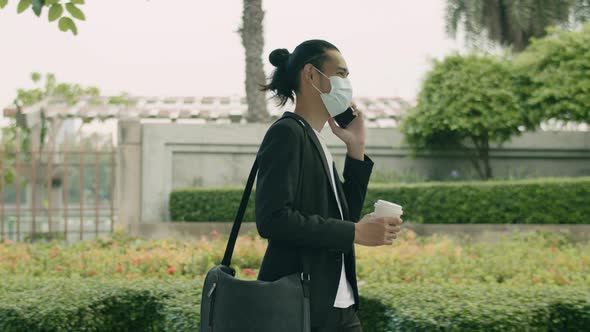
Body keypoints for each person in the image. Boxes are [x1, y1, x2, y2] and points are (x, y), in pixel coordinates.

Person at [255, 39, 403, 331]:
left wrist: (356, 149)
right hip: (301, 308)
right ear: (311, 75)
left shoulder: (316, 138)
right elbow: (272, 220)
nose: (347, 84)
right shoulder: (287, 134)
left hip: (337, 306)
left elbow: (343, 219)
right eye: (342, 74)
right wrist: (355, 232)